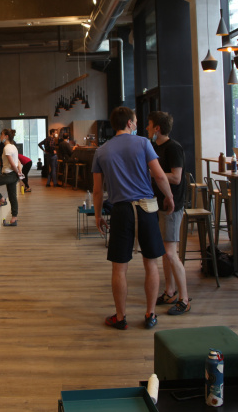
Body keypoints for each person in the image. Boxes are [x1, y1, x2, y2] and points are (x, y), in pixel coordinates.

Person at [93, 107, 175, 330]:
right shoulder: (143, 143)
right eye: (136, 120)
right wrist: (169, 197)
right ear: (129, 123)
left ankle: (120, 317)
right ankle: (150, 314)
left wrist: (98, 215)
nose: (138, 123)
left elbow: (98, 191)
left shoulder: (101, 151)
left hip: (120, 210)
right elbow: (159, 175)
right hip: (147, 208)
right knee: (151, 263)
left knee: (119, 267)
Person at [146, 111, 191, 315]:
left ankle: (184, 299)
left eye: (149, 125)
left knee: (171, 254)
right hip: (160, 204)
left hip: (173, 205)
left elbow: (176, 177)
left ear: (157, 128)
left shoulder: (173, 147)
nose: (146, 128)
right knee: (165, 252)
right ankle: (169, 291)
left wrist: (155, 173)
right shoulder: (155, 147)